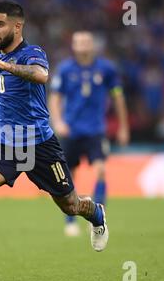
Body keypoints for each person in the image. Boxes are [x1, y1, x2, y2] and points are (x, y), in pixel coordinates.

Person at [0, 0, 108, 280]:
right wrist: (1, 64)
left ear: (17, 26)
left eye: (0, 23)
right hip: (7, 144)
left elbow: (41, 75)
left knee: (71, 204)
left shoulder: (32, 53)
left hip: (41, 145)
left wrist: (4, 65)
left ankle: (97, 215)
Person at [48, 31, 129, 237]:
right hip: (71, 130)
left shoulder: (106, 69)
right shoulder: (65, 70)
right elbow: (55, 97)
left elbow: (118, 97)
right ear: (73, 46)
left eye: (86, 42)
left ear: (93, 45)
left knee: (101, 170)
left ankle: (98, 218)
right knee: (69, 176)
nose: (83, 45)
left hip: (95, 130)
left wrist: (123, 126)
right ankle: (70, 221)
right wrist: (58, 121)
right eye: (79, 42)